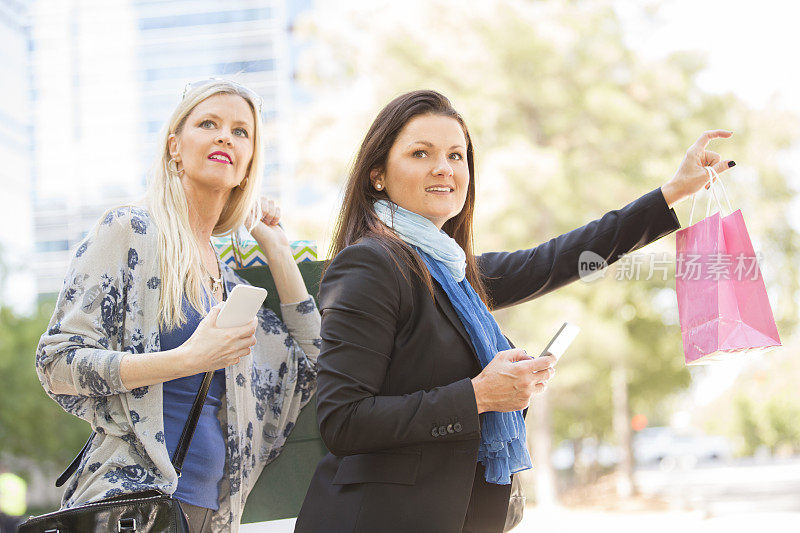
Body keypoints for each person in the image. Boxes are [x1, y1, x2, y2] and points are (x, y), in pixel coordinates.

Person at [294, 89, 734, 533]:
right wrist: (480, 395)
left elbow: (561, 256)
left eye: (456, 155)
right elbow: (342, 420)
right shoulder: (370, 266)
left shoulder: (455, 274)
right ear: (377, 176)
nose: (444, 168)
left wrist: (673, 192)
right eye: (420, 153)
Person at [34, 79, 321, 532]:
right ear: (175, 147)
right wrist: (185, 360)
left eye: (240, 131)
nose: (225, 136)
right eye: (208, 123)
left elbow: (312, 362)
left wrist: (277, 249)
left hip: (211, 515)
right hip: (128, 505)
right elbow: (56, 363)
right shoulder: (129, 231)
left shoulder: (227, 285)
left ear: (248, 165)